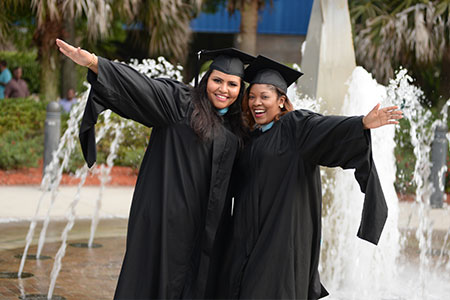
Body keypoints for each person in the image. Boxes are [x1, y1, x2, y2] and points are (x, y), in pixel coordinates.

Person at [55, 38, 255, 299]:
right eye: (218, 80)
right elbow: (143, 86)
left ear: (240, 89)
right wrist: (95, 63)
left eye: (232, 84)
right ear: (207, 80)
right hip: (164, 222)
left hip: (207, 231)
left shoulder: (237, 128)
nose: (223, 89)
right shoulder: (181, 103)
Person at [221, 55, 403, 299]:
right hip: (246, 242)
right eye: (252, 97)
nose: (256, 103)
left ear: (281, 101)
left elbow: (323, 127)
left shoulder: (294, 128)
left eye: (265, 96)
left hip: (279, 243)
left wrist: (360, 123)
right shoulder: (252, 137)